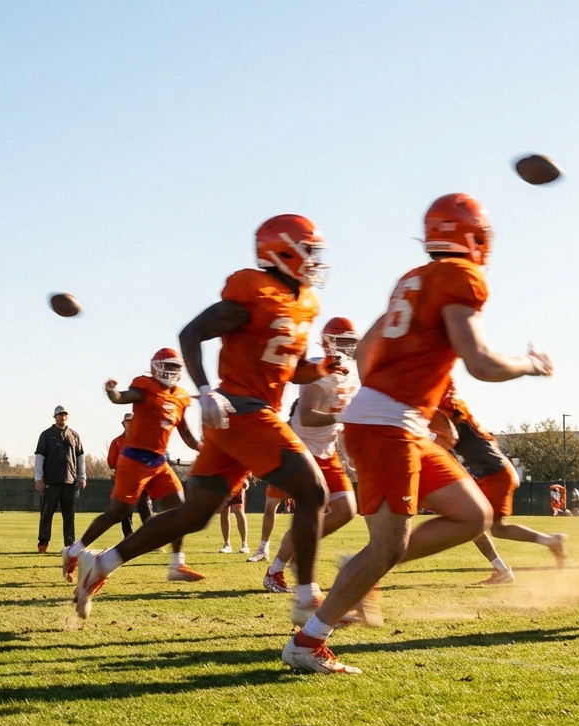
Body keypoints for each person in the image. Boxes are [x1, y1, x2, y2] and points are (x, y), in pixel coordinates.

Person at [284, 192, 554, 673]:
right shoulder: (460, 277)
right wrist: (530, 364)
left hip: (395, 419)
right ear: (473, 237)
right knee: (386, 546)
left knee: (474, 515)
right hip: (387, 425)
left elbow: (367, 353)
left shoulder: (413, 279)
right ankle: (309, 640)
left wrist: (410, 402)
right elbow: (481, 363)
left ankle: (354, 571)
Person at [74, 213, 336, 620]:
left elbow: (291, 367)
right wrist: (205, 390)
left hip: (241, 416)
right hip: (241, 409)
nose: (316, 259)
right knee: (313, 492)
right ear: (283, 252)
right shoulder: (255, 292)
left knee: (194, 516)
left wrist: (323, 367)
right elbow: (190, 333)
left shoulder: (303, 303)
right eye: (310, 250)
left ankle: (103, 562)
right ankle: (307, 599)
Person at [63, 349, 204, 582]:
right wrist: (111, 391)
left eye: (174, 367)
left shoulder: (180, 397)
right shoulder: (145, 387)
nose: (170, 372)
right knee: (119, 513)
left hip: (159, 461)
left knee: (180, 508)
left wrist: (203, 448)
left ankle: (177, 564)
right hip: (134, 459)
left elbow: (186, 433)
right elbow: (121, 398)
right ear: (155, 367)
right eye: (166, 366)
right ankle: (75, 550)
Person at [258, 318, 362, 590]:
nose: (347, 348)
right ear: (327, 342)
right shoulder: (319, 369)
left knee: (346, 510)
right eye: (342, 341)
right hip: (302, 448)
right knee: (310, 513)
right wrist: (345, 415)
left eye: (351, 342)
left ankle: (294, 553)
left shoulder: (352, 372)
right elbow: (307, 416)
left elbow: (341, 421)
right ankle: (277, 569)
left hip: (327, 450)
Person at [433, 382, 566, 586]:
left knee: (479, 524)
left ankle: (509, 566)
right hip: (496, 471)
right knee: (486, 526)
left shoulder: (448, 415)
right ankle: (542, 546)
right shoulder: (459, 414)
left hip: (494, 474)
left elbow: (447, 441)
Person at [33, 405, 85, 554]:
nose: (62, 417)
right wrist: (38, 478)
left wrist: (82, 477)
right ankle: (43, 542)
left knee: (69, 515)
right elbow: (39, 457)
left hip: (70, 481)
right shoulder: (46, 435)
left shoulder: (74, 435)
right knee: (46, 514)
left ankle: (70, 545)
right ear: (54, 417)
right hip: (51, 481)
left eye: (64, 415)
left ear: (67, 417)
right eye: (59, 415)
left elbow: (80, 458)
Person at [106, 414, 153, 539]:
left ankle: (152, 537)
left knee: (145, 509)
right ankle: (129, 537)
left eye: (131, 422)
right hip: (124, 480)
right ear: (123, 424)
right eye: (127, 422)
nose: (129, 424)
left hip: (140, 479)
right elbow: (111, 461)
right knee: (125, 510)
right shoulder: (117, 442)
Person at [219, 475, 249, 554]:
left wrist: (244, 478)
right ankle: (227, 544)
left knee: (238, 509)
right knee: (224, 511)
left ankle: (244, 544)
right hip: (223, 481)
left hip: (237, 481)